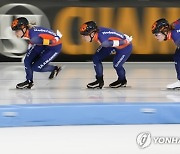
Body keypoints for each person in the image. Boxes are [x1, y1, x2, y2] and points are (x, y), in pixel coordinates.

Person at [11, 17, 62, 89]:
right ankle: (29, 81)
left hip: (54, 47)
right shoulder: (30, 33)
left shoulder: (34, 37)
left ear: (24, 28)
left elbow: (51, 41)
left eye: (17, 31)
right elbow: (34, 41)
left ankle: (55, 69)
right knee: (27, 60)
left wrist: (57, 37)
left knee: (36, 67)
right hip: (42, 42)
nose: (16, 34)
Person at [80, 21, 133, 89]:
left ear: (92, 34)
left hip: (125, 47)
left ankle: (122, 81)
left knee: (117, 65)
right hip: (112, 44)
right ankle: (99, 81)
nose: (83, 37)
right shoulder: (98, 33)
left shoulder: (103, 41)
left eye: (85, 35)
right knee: (96, 58)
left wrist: (125, 41)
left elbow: (119, 42)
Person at [152, 18, 180, 89]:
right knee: (177, 56)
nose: (155, 37)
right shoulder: (173, 28)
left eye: (156, 35)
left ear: (164, 31)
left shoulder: (175, 35)